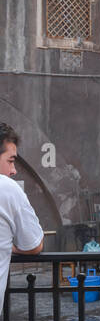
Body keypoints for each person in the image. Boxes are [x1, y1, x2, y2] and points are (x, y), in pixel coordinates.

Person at [1, 122, 45, 308]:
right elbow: (34, 245)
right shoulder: (7, 188)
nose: (14, 170)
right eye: (10, 161)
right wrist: (10, 248)